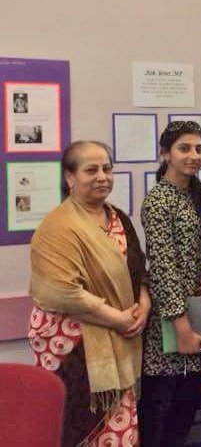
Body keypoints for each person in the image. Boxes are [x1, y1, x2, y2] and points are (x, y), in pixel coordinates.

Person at [28, 141, 149, 446]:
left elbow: (138, 271)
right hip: (72, 347)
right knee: (76, 427)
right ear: (69, 177)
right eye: (91, 170)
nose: (102, 176)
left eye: (107, 169)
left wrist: (143, 306)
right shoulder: (57, 227)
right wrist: (118, 319)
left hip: (119, 342)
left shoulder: (118, 218)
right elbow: (61, 293)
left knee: (119, 428)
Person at [139, 121, 201, 447]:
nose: (194, 155)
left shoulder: (196, 193)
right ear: (165, 153)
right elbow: (163, 268)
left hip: (196, 312)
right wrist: (181, 326)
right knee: (160, 409)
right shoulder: (159, 200)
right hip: (169, 323)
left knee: (187, 405)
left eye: (199, 148)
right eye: (184, 148)